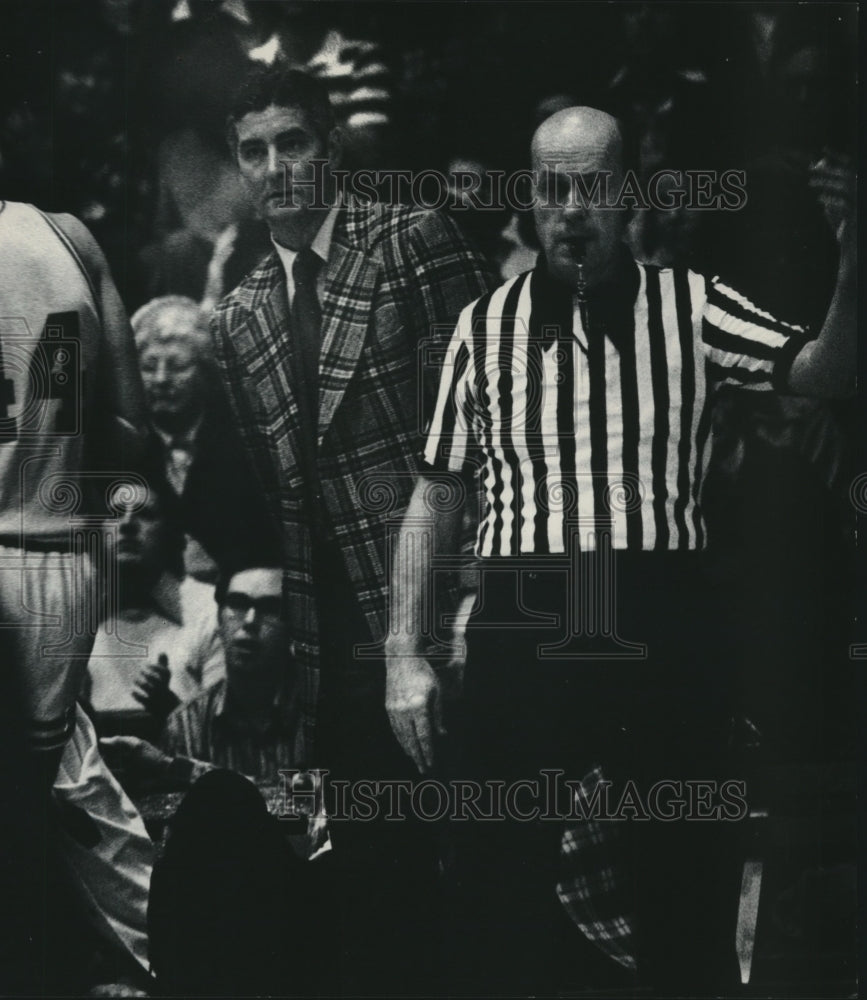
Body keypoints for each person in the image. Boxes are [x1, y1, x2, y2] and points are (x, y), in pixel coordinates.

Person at [385, 107, 855, 996]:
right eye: (552, 190)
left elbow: (824, 373)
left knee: (686, 891)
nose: (572, 211)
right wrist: (401, 652)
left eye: (592, 187)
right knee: (495, 896)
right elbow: (437, 494)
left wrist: (853, 256)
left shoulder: (692, 302)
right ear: (528, 201)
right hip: (526, 610)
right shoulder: (480, 330)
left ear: (625, 195)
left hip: (661, 610)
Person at [210, 66, 492, 993]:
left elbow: (498, 427)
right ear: (239, 168)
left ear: (329, 148)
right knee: (381, 896)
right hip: (333, 649)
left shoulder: (411, 237)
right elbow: (277, 503)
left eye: (292, 142)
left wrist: (474, 603)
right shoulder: (241, 312)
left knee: (484, 883)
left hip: (441, 610)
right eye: (254, 151)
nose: (276, 166)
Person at [131, 295, 278, 581]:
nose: (161, 379)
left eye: (177, 366)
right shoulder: (121, 448)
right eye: (148, 367)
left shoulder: (249, 444)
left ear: (207, 371)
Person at [84, 480, 224, 740]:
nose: (127, 524)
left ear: (171, 533)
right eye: (114, 514)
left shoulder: (209, 611)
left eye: (145, 515)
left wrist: (173, 711)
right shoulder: (72, 612)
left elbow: (225, 737)